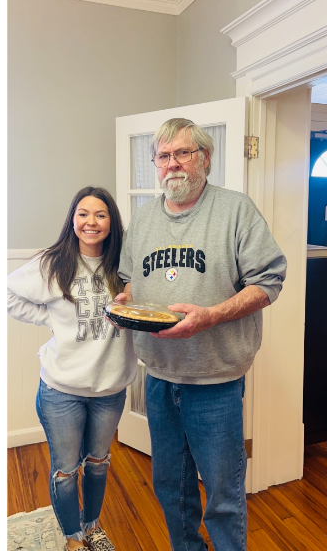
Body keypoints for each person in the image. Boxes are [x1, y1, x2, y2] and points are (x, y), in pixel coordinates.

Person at [116, 118, 287, 551]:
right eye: (163, 156)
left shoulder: (235, 209)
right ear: (155, 164)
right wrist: (124, 302)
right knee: (171, 487)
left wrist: (211, 315)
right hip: (158, 377)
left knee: (224, 494)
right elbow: (131, 281)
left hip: (216, 384)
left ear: (204, 159)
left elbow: (268, 282)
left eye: (182, 153)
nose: (172, 164)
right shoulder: (142, 220)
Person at [7, 186, 137, 551]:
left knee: (98, 462)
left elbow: (139, 310)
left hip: (110, 389)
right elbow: (10, 291)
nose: (91, 222)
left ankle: (91, 526)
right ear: (73, 219)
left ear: (111, 222)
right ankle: (72, 538)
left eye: (100, 214)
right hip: (60, 391)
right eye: (83, 214)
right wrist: (49, 319)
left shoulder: (122, 267)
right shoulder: (54, 263)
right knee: (66, 471)